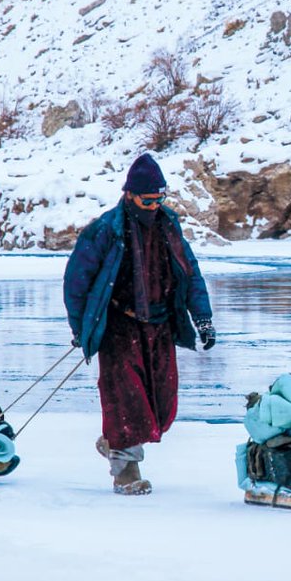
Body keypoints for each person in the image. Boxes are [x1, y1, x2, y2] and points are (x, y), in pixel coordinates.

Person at [63, 154, 216, 495]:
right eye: (148, 200)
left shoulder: (169, 226)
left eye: (160, 199)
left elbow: (190, 274)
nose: (155, 205)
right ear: (130, 194)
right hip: (119, 326)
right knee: (128, 402)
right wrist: (81, 329)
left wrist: (202, 319)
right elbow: (77, 283)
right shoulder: (105, 230)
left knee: (162, 405)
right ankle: (126, 471)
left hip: (160, 325)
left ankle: (113, 440)